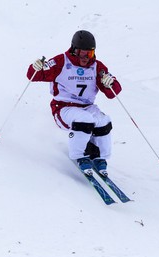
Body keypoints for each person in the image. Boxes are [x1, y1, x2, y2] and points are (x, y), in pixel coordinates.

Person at [26, 30, 122, 176]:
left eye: (89, 54)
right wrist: (36, 67)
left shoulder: (97, 66)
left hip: (87, 106)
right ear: (74, 50)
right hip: (63, 107)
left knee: (103, 121)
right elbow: (34, 76)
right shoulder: (61, 61)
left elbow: (112, 93)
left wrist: (111, 83)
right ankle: (80, 155)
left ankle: (99, 157)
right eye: (82, 53)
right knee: (85, 120)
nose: (85, 58)